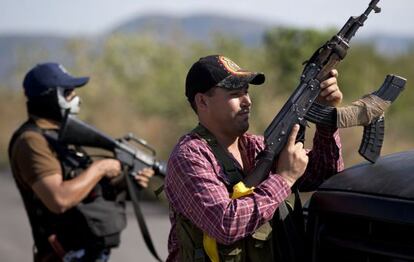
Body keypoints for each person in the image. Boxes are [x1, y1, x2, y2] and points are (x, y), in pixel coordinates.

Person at [164, 55, 344, 261]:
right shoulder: (190, 157)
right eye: (235, 94)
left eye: (246, 92)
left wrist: (326, 113)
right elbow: (225, 224)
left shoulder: (256, 146)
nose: (247, 101)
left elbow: (326, 174)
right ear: (202, 101)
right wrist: (284, 180)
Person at [8, 63, 154, 262]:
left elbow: (83, 190)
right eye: (68, 93)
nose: (76, 99)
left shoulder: (57, 136)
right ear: (50, 97)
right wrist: (101, 167)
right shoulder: (32, 141)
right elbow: (59, 199)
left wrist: (127, 183)